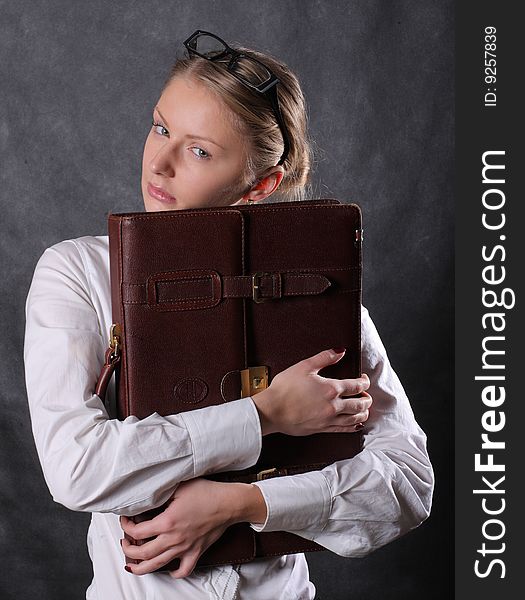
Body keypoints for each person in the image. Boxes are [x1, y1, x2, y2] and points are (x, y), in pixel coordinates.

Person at [24, 30, 434, 600]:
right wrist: (264, 415)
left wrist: (243, 504)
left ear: (260, 184)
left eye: (199, 150)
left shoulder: (323, 301)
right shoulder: (79, 273)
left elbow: (408, 485)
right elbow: (75, 468)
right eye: (161, 127)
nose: (159, 164)